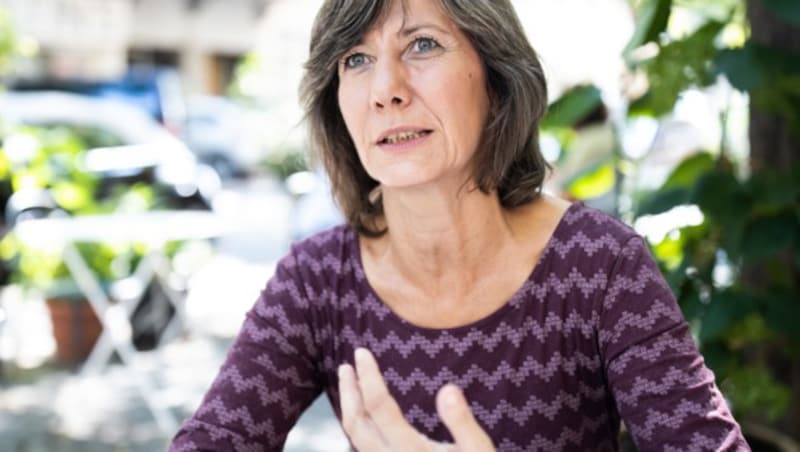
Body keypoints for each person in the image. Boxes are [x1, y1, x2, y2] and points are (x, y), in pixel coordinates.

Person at [170, 0, 749, 450]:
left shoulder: (601, 267)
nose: (386, 90)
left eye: (422, 45)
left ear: (496, 80)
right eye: (356, 59)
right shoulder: (318, 280)